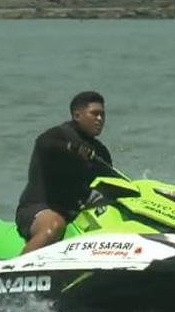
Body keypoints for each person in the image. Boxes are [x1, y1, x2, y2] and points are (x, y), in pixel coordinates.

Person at [15, 91, 114, 254]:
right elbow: (45, 144)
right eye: (94, 114)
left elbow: (112, 182)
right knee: (54, 226)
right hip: (39, 209)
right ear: (77, 115)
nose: (100, 119)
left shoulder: (101, 152)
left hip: (75, 214)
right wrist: (73, 148)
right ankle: (13, 273)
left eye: (102, 115)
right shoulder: (58, 135)